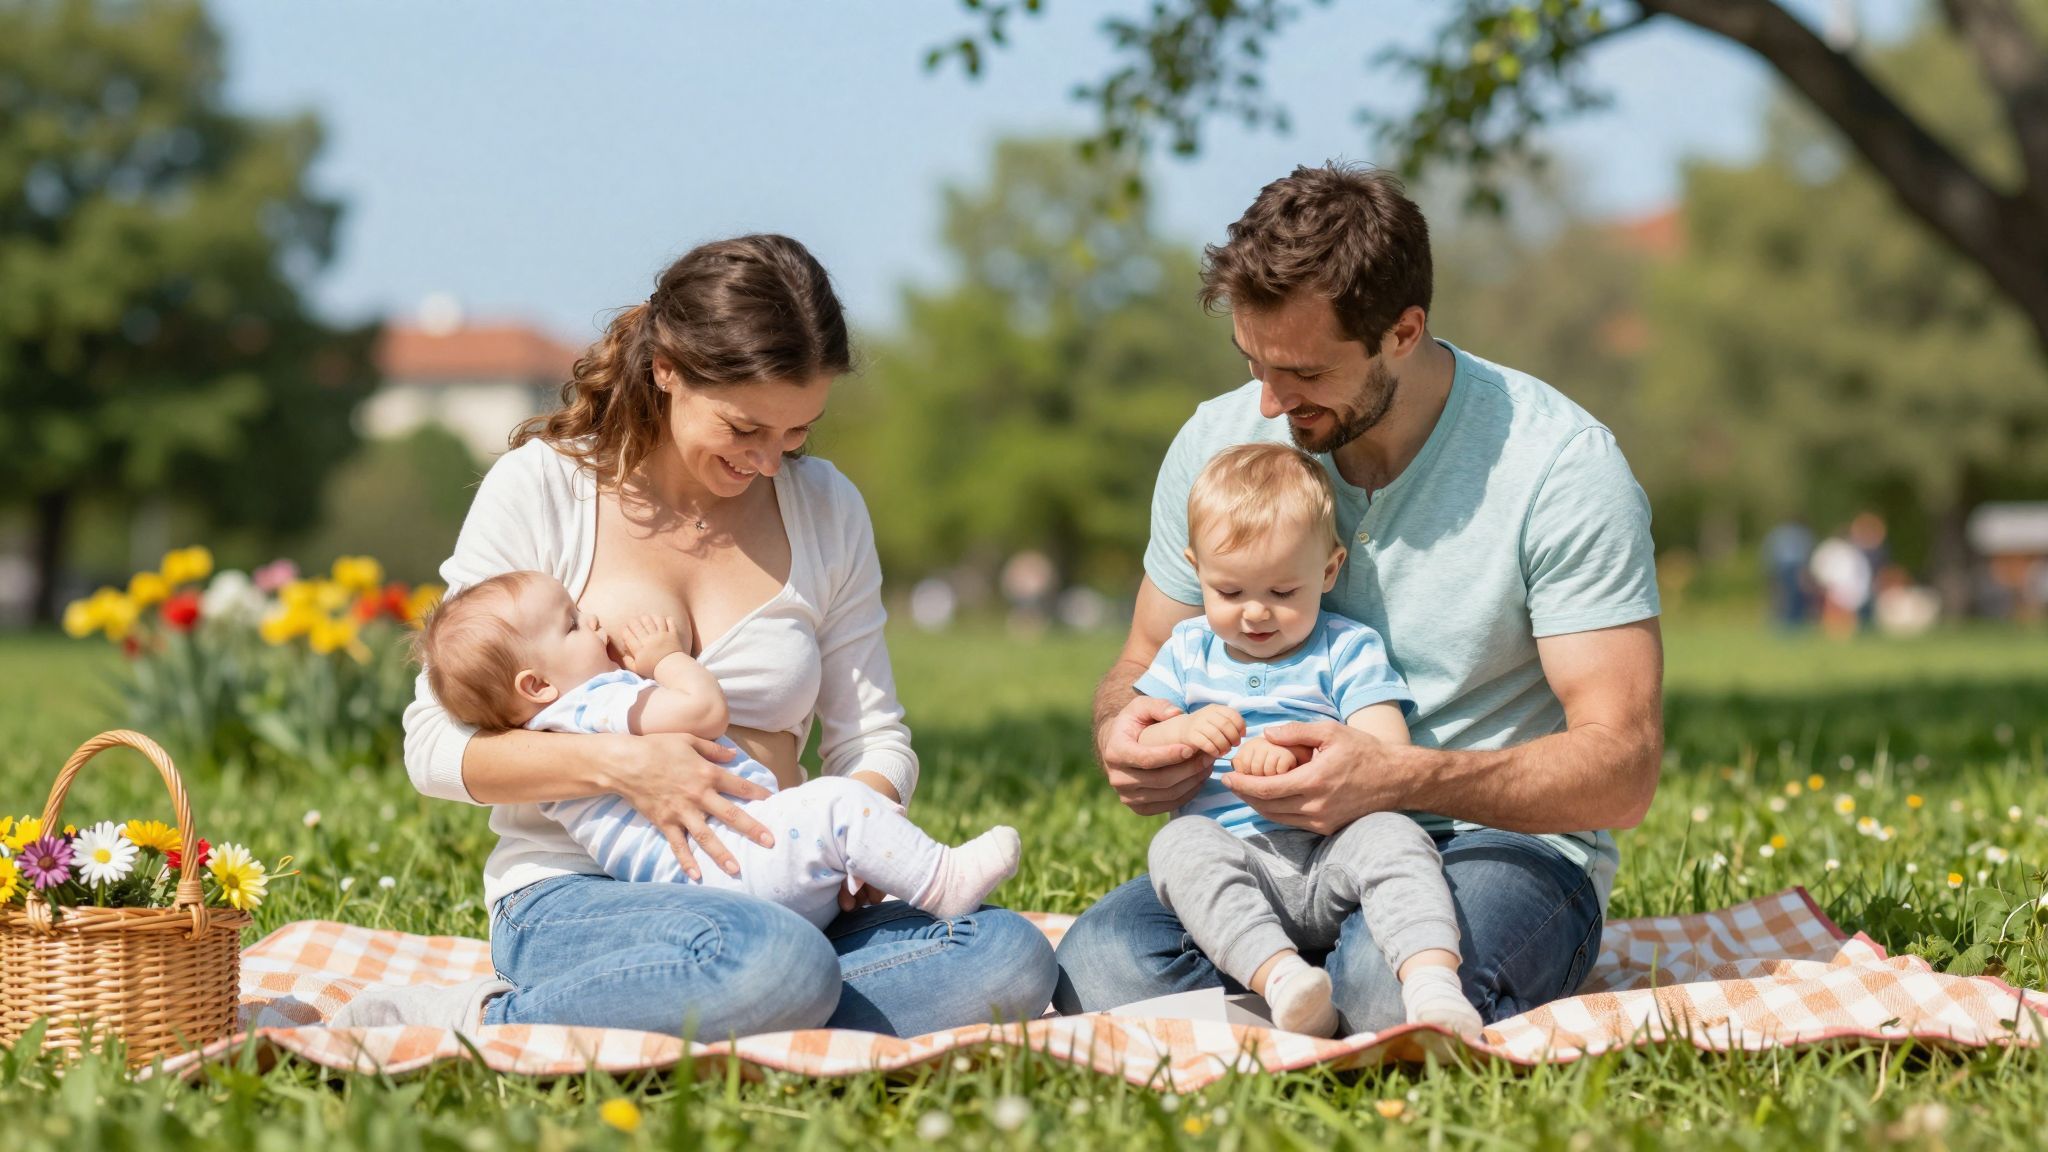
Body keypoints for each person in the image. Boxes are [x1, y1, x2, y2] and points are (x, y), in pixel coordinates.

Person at [367, 235, 1056, 1039]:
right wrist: (622, 765)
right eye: (743, 428)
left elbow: (875, 738)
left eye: (797, 431)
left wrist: (858, 827)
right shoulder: (546, 487)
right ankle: (494, 1016)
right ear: (667, 369)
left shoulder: (828, 510)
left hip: (779, 880)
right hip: (582, 892)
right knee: (776, 963)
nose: (770, 462)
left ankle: (730, 1006)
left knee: (1007, 955)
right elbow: (434, 748)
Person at [1054, 164, 1664, 1034]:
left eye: (1301, 372)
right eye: (1253, 362)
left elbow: (1624, 770)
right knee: (1096, 971)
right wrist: (1127, 732)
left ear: (1403, 331)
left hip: (1494, 844)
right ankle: (1294, 985)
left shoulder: (1559, 466)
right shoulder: (1218, 443)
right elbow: (1144, 660)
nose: (1269, 401)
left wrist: (1400, 779)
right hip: (1260, 849)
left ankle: (1328, 993)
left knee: (1384, 997)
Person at [415, 570, 1021, 927]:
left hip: (717, 881)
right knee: (838, 802)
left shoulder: (558, 722)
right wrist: (667, 659)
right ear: (537, 685)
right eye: (574, 624)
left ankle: (778, 984)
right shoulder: (592, 706)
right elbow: (704, 713)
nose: (594, 623)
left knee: (1000, 954)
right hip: (738, 864)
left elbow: (876, 736)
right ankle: (941, 880)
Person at [1137, 444, 1482, 1038]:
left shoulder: (1347, 648)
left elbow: (1386, 753)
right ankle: (1283, 980)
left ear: (1328, 571)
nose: (1255, 614)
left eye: (1282, 592)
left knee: (1395, 838)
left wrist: (1301, 753)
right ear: (1197, 571)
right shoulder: (1188, 650)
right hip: (1235, 859)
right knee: (1178, 845)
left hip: (1332, 855)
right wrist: (1183, 729)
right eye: (1230, 592)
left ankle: (1431, 983)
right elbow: (1144, 732)